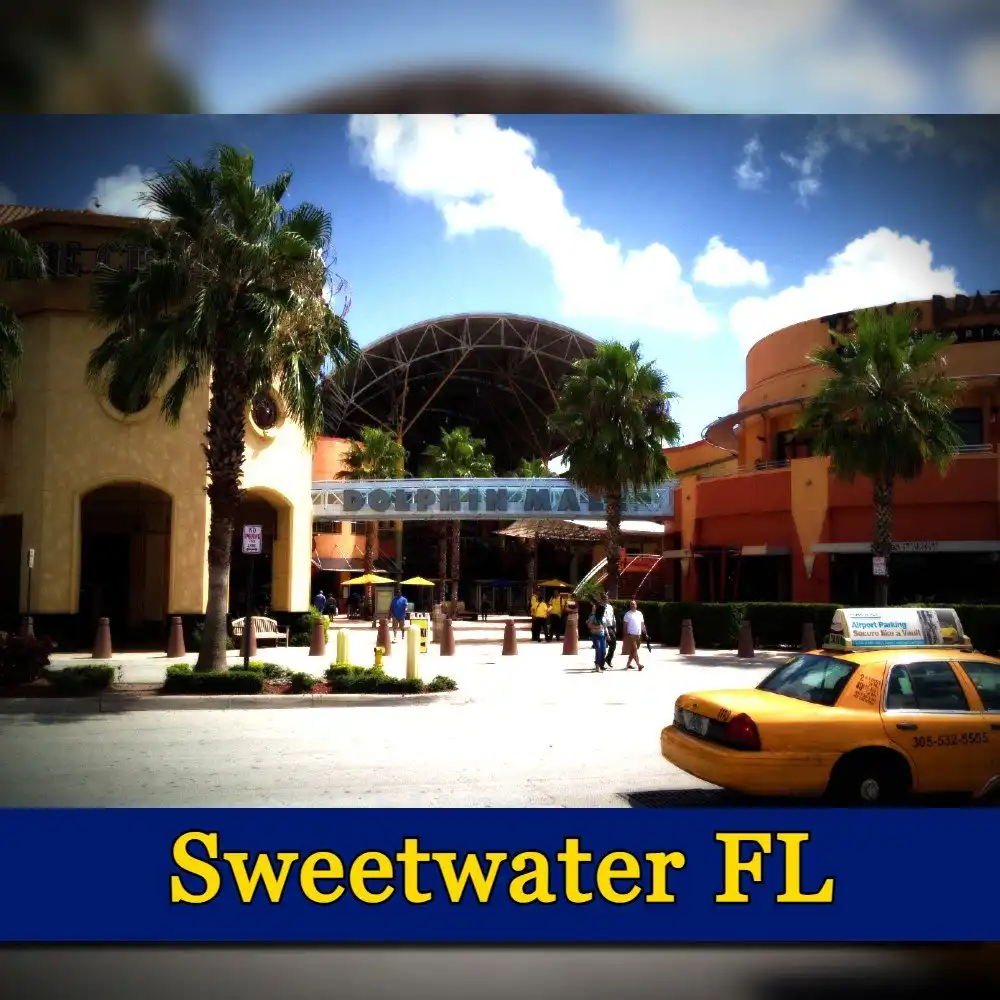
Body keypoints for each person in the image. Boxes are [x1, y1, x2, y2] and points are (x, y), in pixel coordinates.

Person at [622, 599, 646, 671]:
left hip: (638, 635)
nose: (632, 605)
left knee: (633, 651)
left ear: (636, 605)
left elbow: (642, 624)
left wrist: (645, 633)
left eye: (633, 604)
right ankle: (639, 665)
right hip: (631, 635)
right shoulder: (627, 614)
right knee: (634, 650)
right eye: (631, 604)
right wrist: (626, 634)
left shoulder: (640, 613)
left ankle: (627, 665)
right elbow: (625, 625)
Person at [586, 599, 608, 672]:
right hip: (595, 636)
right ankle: (597, 666)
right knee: (598, 650)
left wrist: (607, 634)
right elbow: (589, 625)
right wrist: (597, 627)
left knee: (603, 651)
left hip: (602, 636)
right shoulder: (593, 617)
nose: (603, 611)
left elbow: (605, 627)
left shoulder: (602, 618)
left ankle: (600, 664)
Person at [601, 595, 617, 668]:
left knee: (613, 645)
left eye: (606, 599)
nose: (605, 600)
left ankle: (608, 659)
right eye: (604, 599)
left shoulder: (610, 607)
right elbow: (603, 620)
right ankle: (600, 663)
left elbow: (613, 616)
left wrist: (615, 626)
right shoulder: (599, 607)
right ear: (601, 599)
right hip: (602, 628)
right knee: (602, 647)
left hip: (610, 627)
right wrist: (607, 633)